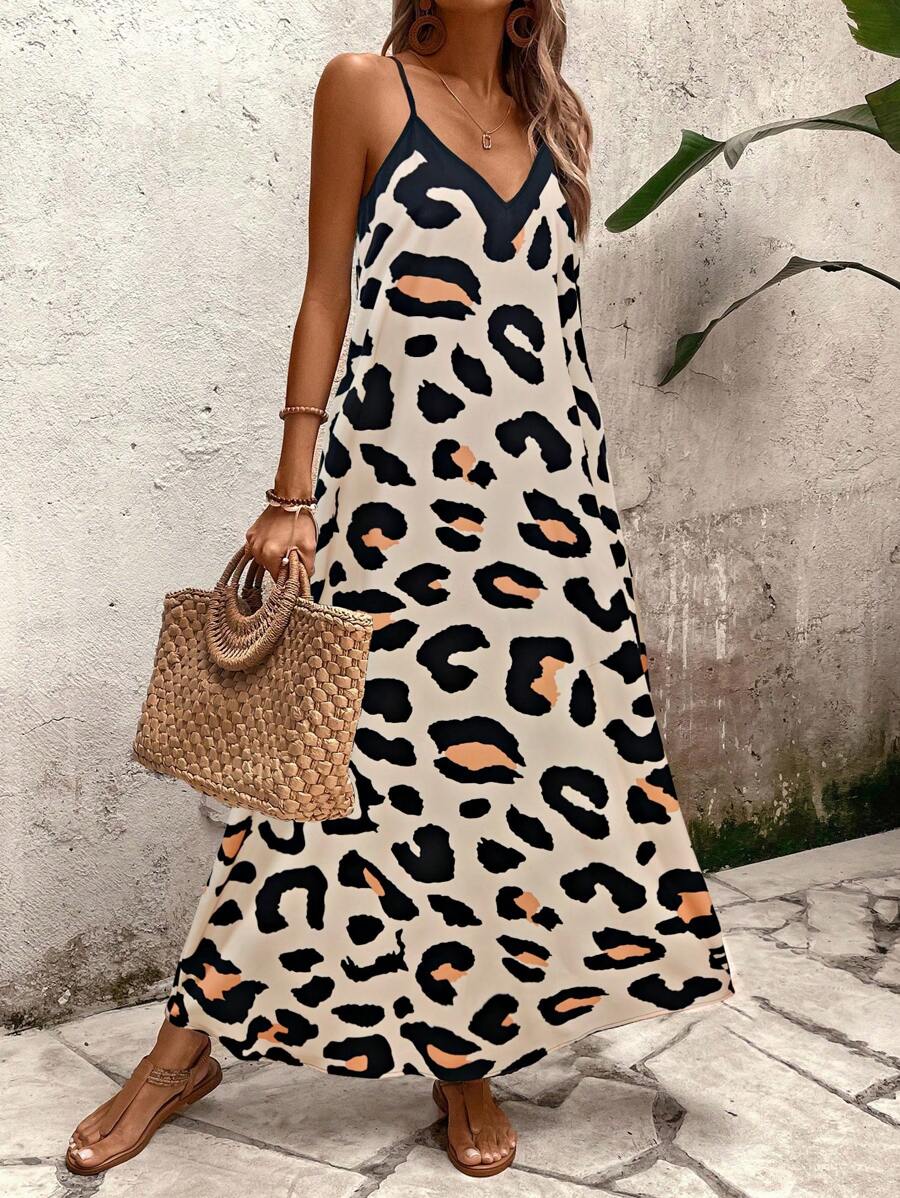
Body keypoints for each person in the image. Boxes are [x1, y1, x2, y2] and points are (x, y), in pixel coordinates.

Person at [67, 0, 734, 1180]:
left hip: (546, 526)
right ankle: (182, 1049)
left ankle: (462, 1054)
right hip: (395, 511)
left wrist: (588, 532)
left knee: (495, 790)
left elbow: (555, 350)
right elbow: (326, 292)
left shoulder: (544, 120)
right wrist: (291, 492)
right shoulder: (365, 87)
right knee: (316, 781)